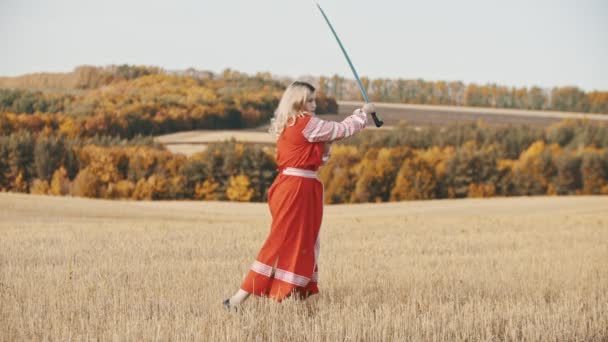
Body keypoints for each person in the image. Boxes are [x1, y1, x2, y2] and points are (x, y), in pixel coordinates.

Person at [224, 81, 375, 309]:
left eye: (314, 100)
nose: (314, 104)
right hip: (296, 189)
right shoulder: (306, 123)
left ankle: (293, 294)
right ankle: (237, 299)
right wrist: (363, 114)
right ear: (298, 101)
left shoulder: (290, 123)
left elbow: (321, 145)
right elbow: (341, 130)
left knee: (300, 241)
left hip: (295, 186)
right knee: (280, 243)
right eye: (310, 100)